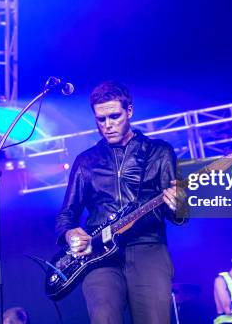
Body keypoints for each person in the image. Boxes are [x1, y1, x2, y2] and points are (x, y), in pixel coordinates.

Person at [55, 81, 187, 324]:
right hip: (98, 254)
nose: (108, 125)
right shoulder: (86, 161)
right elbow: (66, 215)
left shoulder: (159, 151)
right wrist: (71, 233)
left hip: (147, 246)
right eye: (100, 119)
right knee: (103, 316)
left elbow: (178, 213)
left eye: (114, 116)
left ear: (130, 111)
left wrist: (178, 203)